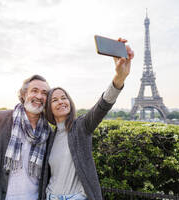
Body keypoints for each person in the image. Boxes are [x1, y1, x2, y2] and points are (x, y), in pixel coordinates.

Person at [39, 38, 134, 200]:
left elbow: (102, 106)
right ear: (49, 109)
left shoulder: (81, 126)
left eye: (64, 97)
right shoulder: (49, 136)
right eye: (54, 100)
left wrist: (119, 77)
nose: (61, 101)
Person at [0, 75, 52, 200]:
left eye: (44, 93)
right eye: (34, 91)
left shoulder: (48, 131)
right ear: (23, 94)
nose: (39, 96)